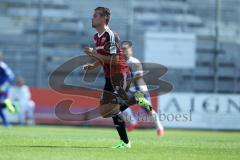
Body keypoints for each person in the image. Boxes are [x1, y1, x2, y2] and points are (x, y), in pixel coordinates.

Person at [83, 7, 151, 149]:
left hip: (120, 74)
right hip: (110, 76)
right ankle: (135, 99)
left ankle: (125, 142)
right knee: (105, 111)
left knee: (112, 110)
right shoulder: (97, 37)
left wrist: (93, 54)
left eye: (95, 16)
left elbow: (114, 60)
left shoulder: (110, 35)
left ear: (104, 19)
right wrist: (93, 65)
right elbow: (104, 57)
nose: (92, 18)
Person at [121, 41, 164, 136]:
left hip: (139, 91)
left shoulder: (134, 62)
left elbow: (139, 76)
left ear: (130, 51)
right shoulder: (120, 63)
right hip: (130, 91)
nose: (124, 52)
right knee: (120, 106)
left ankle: (159, 127)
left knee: (148, 110)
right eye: (122, 50)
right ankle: (133, 122)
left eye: (126, 50)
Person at [0, 50, 15, 127]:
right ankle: (6, 123)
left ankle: (11, 104)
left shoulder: (3, 66)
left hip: (2, 88)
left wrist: (4, 85)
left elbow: (11, 76)